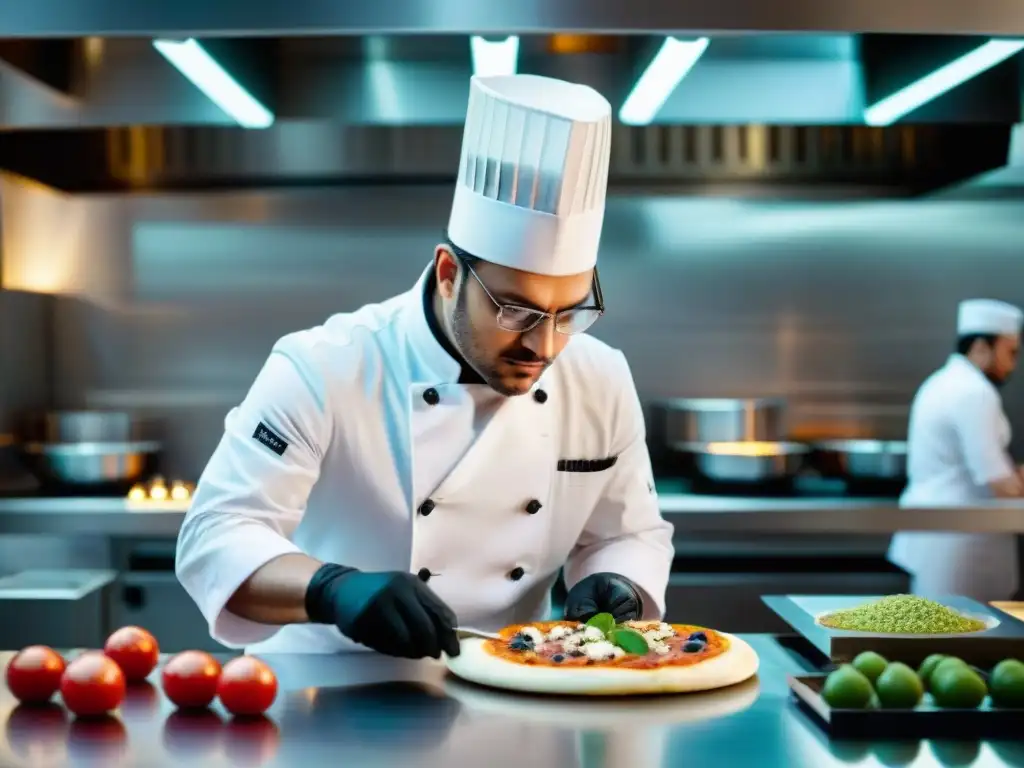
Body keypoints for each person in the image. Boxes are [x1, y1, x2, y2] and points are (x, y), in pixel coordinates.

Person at [175, 74, 675, 658]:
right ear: (447, 274)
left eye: (569, 314)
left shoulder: (600, 376)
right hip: (325, 692)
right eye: (515, 310)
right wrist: (329, 590)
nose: (544, 345)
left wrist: (615, 583)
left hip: (515, 690)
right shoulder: (323, 367)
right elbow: (214, 536)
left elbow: (628, 533)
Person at [889, 298, 1024, 602]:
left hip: (941, 539)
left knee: (940, 637)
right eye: (1010, 353)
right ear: (980, 347)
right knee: (963, 638)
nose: (1012, 366)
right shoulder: (974, 393)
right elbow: (1000, 483)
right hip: (960, 548)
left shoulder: (943, 382)